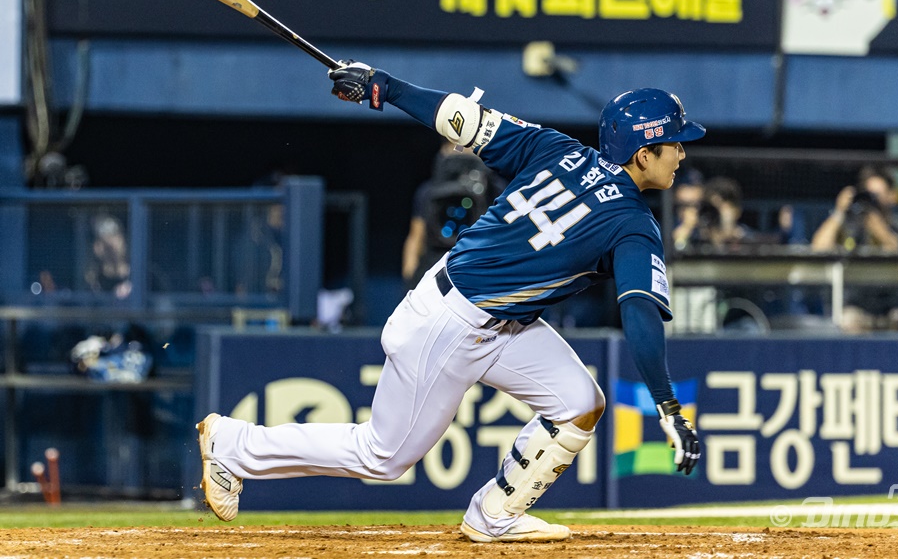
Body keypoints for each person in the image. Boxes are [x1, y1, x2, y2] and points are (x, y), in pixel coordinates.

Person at [195, 63, 703, 541]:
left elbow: (461, 118)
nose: (682, 154)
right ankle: (233, 446)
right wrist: (667, 403)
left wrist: (384, 86)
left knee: (579, 403)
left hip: (499, 319)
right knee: (383, 457)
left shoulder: (554, 148)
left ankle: (495, 515)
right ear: (644, 153)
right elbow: (638, 311)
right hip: (451, 324)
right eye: (675, 144)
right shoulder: (634, 223)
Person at [810, 165, 898, 332]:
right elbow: (818, 248)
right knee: (848, 323)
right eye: (869, 194)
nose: (873, 201)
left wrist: (880, 231)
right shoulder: (850, 227)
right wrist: (839, 212)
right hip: (856, 307)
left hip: (892, 308)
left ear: (892, 196)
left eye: (877, 195)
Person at [401, 141, 497, 288]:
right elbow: (415, 237)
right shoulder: (428, 192)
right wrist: (410, 281)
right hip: (434, 266)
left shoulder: (493, 191)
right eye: (453, 145)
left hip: (476, 269)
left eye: (466, 146)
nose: (458, 150)